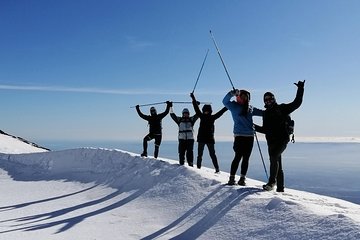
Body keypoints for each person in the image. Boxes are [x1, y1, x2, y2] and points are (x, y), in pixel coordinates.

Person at [254, 80, 305, 192]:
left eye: (270, 98)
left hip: (282, 140)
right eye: (266, 99)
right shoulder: (266, 114)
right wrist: (254, 127)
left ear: (274, 99)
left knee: (273, 157)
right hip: (271, 141)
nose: (268, 101)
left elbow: (297, 103)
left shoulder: (282, 108)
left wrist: (300, 89)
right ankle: (280, 189)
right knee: (277, 163)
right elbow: (265, 129)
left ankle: (272, 182)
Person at [223, 89, 263, 185]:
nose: (245, 98)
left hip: (246, 136)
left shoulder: (248, 108)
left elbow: (262, 113)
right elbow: (225, 101)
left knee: (244, 158)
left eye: (246, 97)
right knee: (239, 157)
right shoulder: (235, 106)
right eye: (243, 96)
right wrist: (232, 93)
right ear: (239, 97)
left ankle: (240, 178)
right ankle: (234, 178)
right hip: (242, 136)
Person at [190, 92, 228, 173]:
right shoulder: (208, 116)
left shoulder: (207, 116)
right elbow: (196, 108)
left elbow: (221, 112)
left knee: (211, 155)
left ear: (209, 111)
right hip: (205, 138)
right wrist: (193, 98)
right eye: (205, 111)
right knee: (201, 155)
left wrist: (228, 106)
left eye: (207, 111)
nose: (206, 112)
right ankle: (198, 169)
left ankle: (217, 169)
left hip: (207, 139)